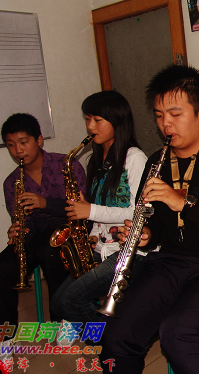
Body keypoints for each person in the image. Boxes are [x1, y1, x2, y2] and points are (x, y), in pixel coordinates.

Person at [98, 64, 199, 374]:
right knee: (115, 334)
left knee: (181, 335)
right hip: (171, 262)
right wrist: (146, 234)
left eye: (175, 114)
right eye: (159, 115)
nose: (166, 124)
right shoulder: (157, 161)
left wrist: (184, 202)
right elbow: (158, 226)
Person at [0, 113, 85, 357]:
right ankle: (4, 337)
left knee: (52, 252)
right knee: (1, 268)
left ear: (39, 140)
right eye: (11, 145)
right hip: (36, 236)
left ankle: (63, 320)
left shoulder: (67, 165)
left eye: (23, 142)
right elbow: (24, 220)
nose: (18, 151)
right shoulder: (12, 182)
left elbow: (83, 208)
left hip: (69, 229)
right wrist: (18, 229)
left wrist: (45, 203)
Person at [50, 91, 148, 325]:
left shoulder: (135, 158)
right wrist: (93, 234)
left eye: (97, 119)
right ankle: (106, 330)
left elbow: (139, 213)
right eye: (87, 119)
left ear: (117, 121)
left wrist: (90, 211)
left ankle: (108, 338)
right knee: (57, 303)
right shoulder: (94, 160)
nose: (90, 126)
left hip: (130, 251)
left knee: (71, 301)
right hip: (103, 246)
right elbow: (101, 208)